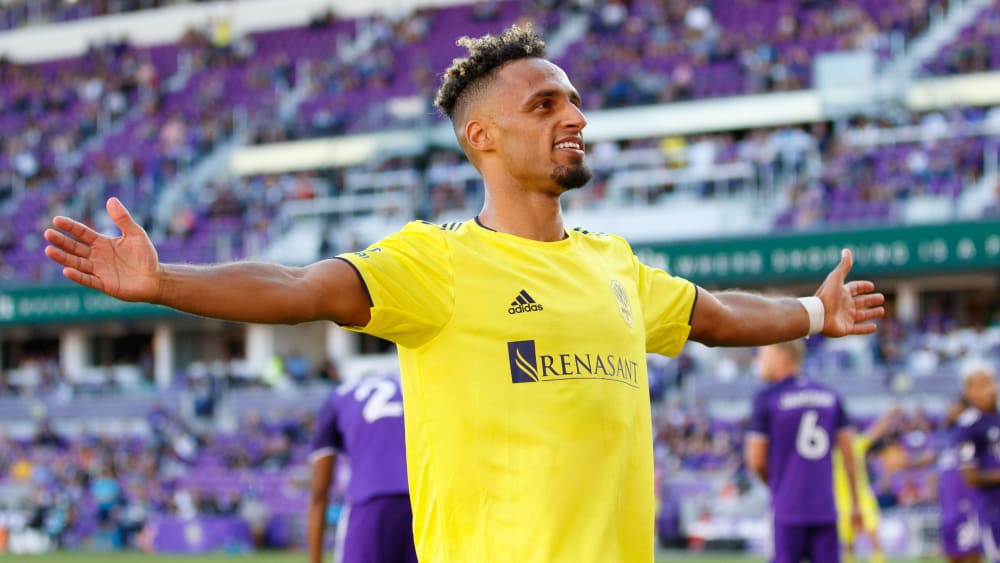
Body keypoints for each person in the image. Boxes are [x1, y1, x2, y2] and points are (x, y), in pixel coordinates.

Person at [43, 25, 885, 562]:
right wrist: (165, 281)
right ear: (482, 136)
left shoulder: (617, 264)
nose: (575, 117)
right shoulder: (436, 263)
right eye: (546, 104)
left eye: (575, 102)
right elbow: (301, 286)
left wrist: (816, 312)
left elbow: (717, 314)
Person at [745, 341, 864, 563]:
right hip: (825, 509)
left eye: (762, 354)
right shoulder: (830, 396)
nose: (758, 361)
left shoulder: (768, 399)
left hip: (787, 511)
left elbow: (756, 462)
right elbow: (850, 456)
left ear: (782, 355)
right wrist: (856, 503)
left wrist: (780, 485)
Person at [308, 372, 414, 563]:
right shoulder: (413, 386)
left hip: (368, 501)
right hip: (424, 502)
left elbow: (320, 492)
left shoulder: (338, 397)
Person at [833, 405, 901, 563]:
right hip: (840, 501)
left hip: (862, 498)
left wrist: (891, 413)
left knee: (873, 537)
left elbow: (877, 430)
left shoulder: (856, 444)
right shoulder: (830, 451)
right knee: (848, 545)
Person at [955, 358, 1000, 563]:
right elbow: (970, 476)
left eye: (991, 382)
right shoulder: (969, 424)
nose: (990, 389)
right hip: (994, 508)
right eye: (982, 385)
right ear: (968, 392)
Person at [939, 397, 983, 563]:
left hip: (966, 501)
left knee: (970, 550)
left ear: (963, 408)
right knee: (952, 550)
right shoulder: (951, 435)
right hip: (949, 504)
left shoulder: (973, 431)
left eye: (952, 405)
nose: (948, 409)